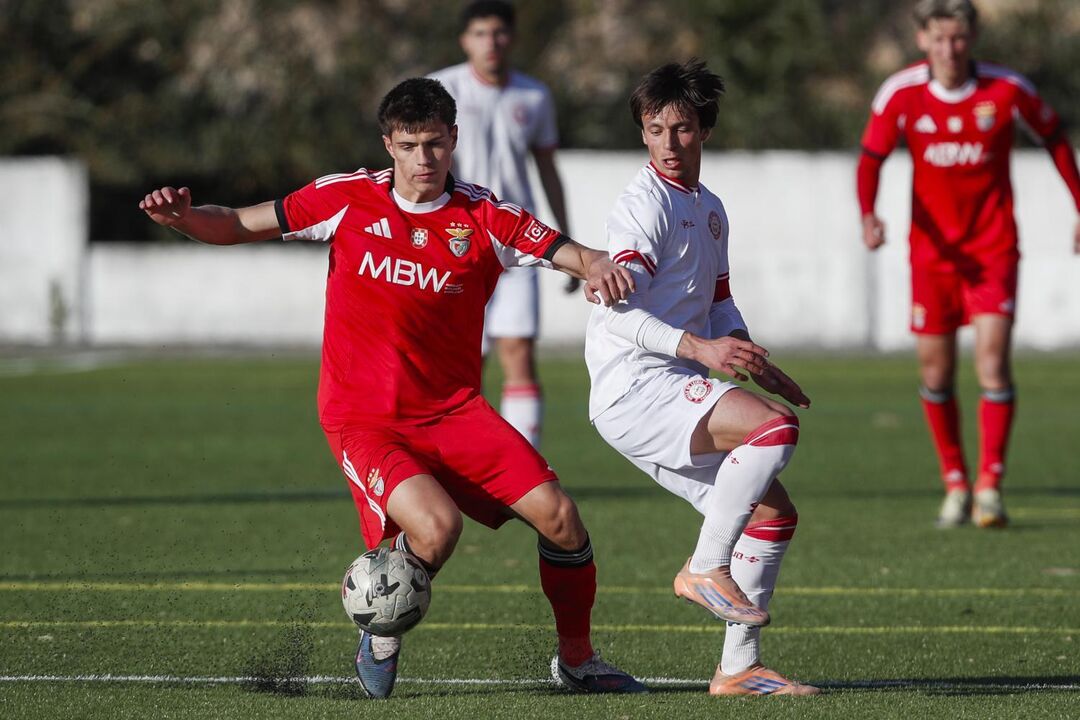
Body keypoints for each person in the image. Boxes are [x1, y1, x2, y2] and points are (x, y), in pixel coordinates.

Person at [139, 77, 646, 699]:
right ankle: (379, 626)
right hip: (364, 418)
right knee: (436, 529)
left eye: (434, 143)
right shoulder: (346, 199)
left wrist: (598, 264)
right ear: (389, 145)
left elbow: (574, 253)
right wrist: (185, 219)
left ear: (454, 138)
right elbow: (242, 223)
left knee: (562, 519)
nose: (423, 158)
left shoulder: (485, 217)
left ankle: (577, 661)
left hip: (455, 413)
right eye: (409, 145)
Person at [585, 60, 819, 697]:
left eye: (681, 128)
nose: (667, 143)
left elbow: (717, 300)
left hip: (666, 386)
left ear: (705, 131)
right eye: (654, 129)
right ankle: (705, 566)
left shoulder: (709, 208)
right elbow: (619, 310)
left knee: (771, 514)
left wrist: (750, 356)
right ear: (642, 131)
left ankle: (738, 668)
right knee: (774, 430)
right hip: (636, 384)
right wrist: (700, 349)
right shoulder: (643, 206)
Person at [857, 0, 1080, 528]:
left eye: (958, 38)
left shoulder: (1007, 90)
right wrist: (868, 215)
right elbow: (871, 160)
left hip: (992, 249)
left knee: (993, 364)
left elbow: (1054, 139)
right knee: (935, 372)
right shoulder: (901, 94)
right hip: (932, 257)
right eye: (939, 38)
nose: (949, 49)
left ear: (972, 37)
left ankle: (989, 487)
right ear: (922, 40)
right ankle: (955, 483)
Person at [429, 0, 573, 449]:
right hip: (454, 242)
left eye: (498, 33)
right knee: (460, 362)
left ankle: (524, 466)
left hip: (514, 242)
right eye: (480, 33)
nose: (490, 43)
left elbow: (547, 168)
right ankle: (452, 459)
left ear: (511, 38)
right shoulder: (440, 89)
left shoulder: (534, 96)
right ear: (464, 40)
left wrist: (563, 236)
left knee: (518, 352)